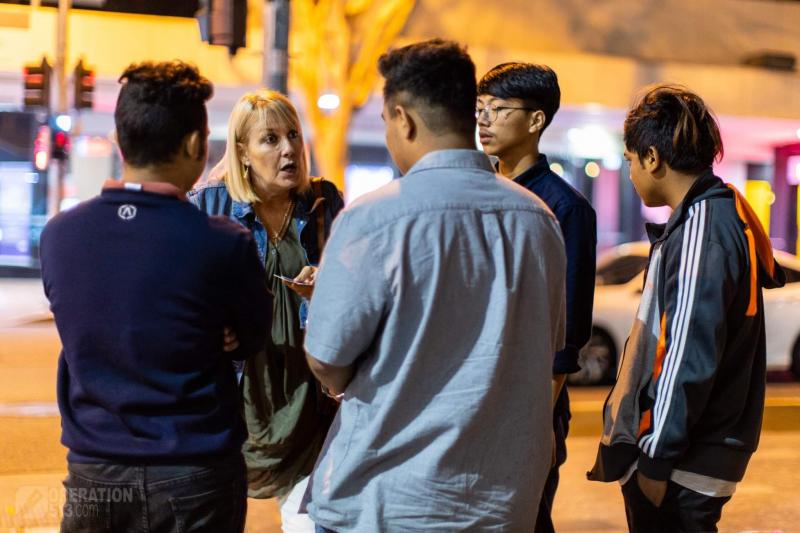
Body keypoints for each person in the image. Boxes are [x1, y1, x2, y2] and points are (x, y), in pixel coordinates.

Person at [303, 38, 567, 532]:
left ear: (403, 119)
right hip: (501, 505)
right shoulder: (540, 220)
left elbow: (326, 358)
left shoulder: (373, 218)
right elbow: (546, 346)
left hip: (387, 502)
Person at [39, 61, 272, 532]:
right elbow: (251, 336)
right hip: (195, 471)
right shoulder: (224, 242)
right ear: (194, 143)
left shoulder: (60, 235)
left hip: (96, 474)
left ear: (121, 139)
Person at [587, 84, 786, 532]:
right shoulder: (715, 216)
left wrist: (656, 458)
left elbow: (686, 354)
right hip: (693, 452)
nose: (630, 171)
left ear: (652, 158)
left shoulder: (702, 227)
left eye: (630, 159)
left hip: (682, 461)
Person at [189, 89, 344, 532]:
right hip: (234, 397)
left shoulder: (324, 203)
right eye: (270, 139)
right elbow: (182, 297)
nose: (288, 149)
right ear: (242, 151)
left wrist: (326, 288)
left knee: (311, 526)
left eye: (293, 134)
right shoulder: (209, 205)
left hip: (308, 397)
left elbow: (358, 291)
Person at [477, 62, 597, 532]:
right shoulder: (477, 192)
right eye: (479, 108)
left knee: (523, 520)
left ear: (536, 120)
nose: (483, 120)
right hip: (475, 394)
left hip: (528, 401)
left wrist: (537, 422)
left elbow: (567, 330)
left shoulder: (565, 207)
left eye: (497, 109)